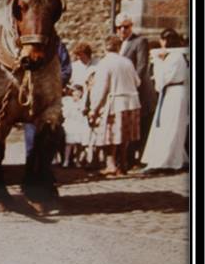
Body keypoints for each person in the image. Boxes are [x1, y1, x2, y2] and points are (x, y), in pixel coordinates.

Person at [88, 35, 141, 176]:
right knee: (124, 136)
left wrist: (94, 109)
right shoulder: (128, 62)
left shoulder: (105, 63)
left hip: (115, 103)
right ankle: (122, 165)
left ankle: (111, 165)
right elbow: (138, 82)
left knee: (110, 136)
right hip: (131, 102)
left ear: (105, 46)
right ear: (119, 47)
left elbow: (101, 89)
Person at [141, 28, 189, 172]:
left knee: (169, 127)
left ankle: (165, 161)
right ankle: (176, 157)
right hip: (174, 93)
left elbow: (162, 80)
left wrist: (157, 61)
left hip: (173, 93)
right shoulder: (179, 56)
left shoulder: (174, 58)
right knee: (171, 126)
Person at [115, 12, 157, 167]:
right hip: (123, 90)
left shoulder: (140, 41)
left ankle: (135, 159)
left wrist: (132, 84)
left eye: (125, 27)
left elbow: (141, 66)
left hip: (139, 91)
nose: (122, 30)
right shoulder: (117, 44)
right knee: (125, 126)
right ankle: (125, 158)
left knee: (139, 126)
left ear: (131, 26)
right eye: (119, 27)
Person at [25, 39, 71, 160]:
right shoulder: (28, 46)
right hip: (32, 96)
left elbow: (66, 70)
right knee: (31, 135)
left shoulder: (57, 46)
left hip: (51, 98)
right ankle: (30, 168)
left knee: (51, 133)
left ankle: (45, 168)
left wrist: (53, 85)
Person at [61, 85, 91, 167]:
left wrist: (80, 107)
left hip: (80, 123)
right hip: (70, 123)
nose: (76, 94)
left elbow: (83, 112)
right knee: (69, 143)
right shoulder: (67, 101)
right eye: (74, 91)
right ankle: (66, 160)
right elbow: (65, 114)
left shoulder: (82, 102)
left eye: (78, 92)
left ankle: (77, 160)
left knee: (79, 144)